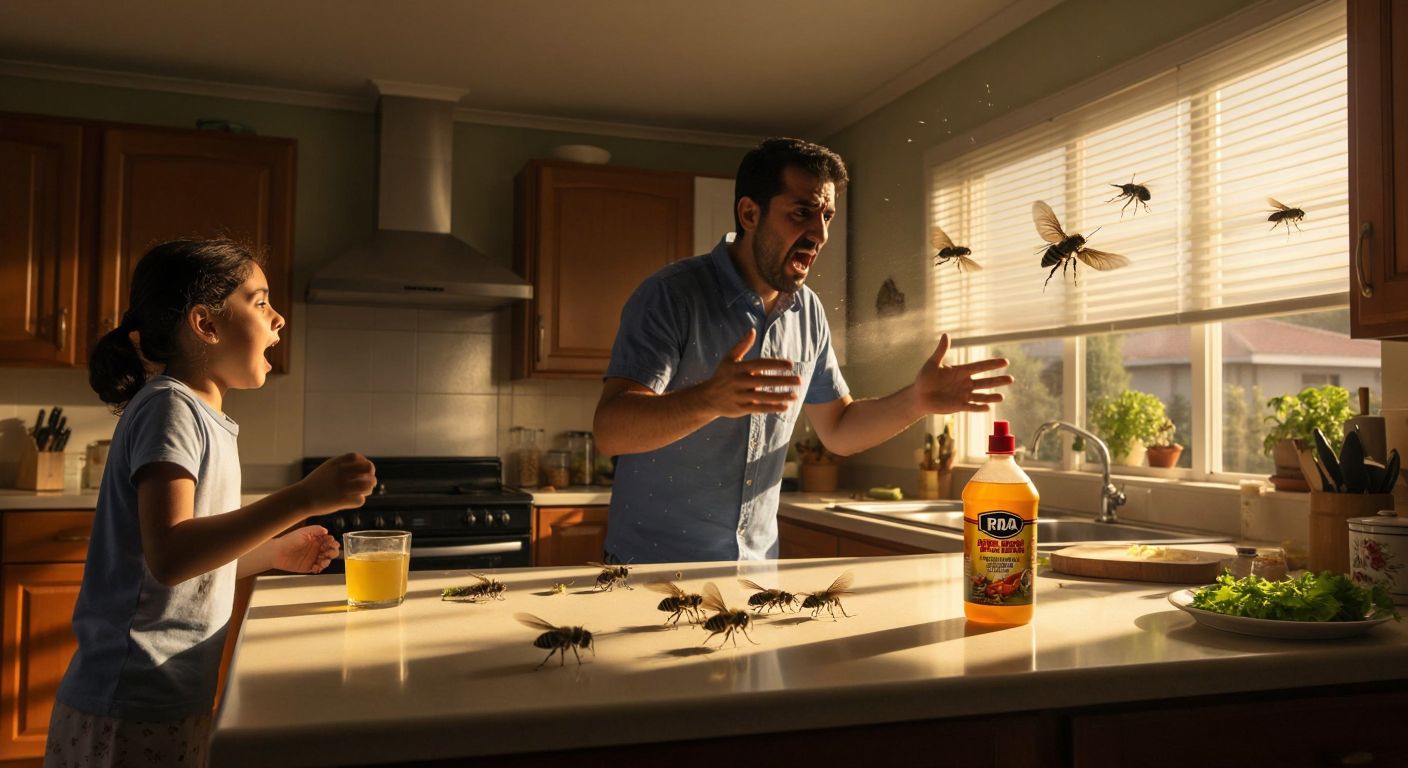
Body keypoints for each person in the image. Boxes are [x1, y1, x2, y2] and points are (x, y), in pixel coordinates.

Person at [593, 138, 1011, 564]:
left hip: (755, 573)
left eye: (827, 215)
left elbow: (840, 429)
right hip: (650, 568)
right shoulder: (672, 295)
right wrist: (708, 400)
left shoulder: (807, 311)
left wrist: (916, 401)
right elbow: (611, 431)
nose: (821, 233)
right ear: (750, 213)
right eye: (802, 212)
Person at [46, 240, 377, 768]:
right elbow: (173, 554)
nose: (279, 318)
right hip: (130, 703)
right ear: (206, 325)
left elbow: (179, 573)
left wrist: (271, 554)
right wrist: (304, 498)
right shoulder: (170, 407)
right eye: (260, 301)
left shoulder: (198, 415)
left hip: (166, 694)